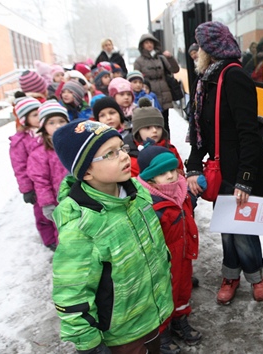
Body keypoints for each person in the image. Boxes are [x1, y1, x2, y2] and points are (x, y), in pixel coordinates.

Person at [51, 118, 173, 354]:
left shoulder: (137, 195)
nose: (125, 156)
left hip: (152, 313)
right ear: (86, 171)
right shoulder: (82, 228)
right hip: (120, 334)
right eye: (110, 154)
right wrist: (90, 345)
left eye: (122, 148)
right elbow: (72, 294)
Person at [186, 21, 263, 305]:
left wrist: (245, 178)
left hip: (240, 168)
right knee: (227, 231)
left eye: (200, 46)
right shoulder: (206, 81)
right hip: (222, 169)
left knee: (244, 233)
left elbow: (250, 133)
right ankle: (230, 276)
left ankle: (256, 276)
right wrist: (194, 166)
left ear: (211, 50)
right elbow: (198, 130)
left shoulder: (234, 78)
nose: (196, 52)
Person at [137, 143, 203, 352]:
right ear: (150, 179)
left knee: (183, 290)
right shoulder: (149, 204)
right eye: (162, 173)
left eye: (172, 170)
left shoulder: (180, 190)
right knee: (164, 296)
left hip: (183, 254)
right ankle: (162, 333)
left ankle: (180, 319)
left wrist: (198, 191)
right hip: (163, 262)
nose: (170, 176)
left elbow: (188, 205)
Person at [9, 94, 56, 249]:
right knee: (42, 214)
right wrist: (26, 189)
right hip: (36, 184)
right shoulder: (21, 140)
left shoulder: (47, 132)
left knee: (57, 210)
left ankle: (60, 236)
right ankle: (50, 240)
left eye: (39, 112)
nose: (38, 117)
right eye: (34, 115)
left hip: (53, 178)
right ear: (24, 119)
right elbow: (19, 167)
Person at [26, 100, 69, 251]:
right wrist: (47, 203)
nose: (57, 126)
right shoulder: (39, 153)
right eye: (51, 122)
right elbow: (40, 181)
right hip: (58, 202)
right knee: (64, 232)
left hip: (79, 198)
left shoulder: (73, 145)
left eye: (61, 121)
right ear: (43, 126)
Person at [124, 98, 184, 177]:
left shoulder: (170, 149)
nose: (154, 130)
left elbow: (181, 173)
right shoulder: (132, 156)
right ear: (137, 131)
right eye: (148, 128)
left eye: (158, 127)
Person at [134, 33, 180, 133]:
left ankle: (167, 144)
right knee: (153, 122)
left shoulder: (161, 58)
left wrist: (170, 58)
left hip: (164, 92)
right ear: (142, 45)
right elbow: (137, 78)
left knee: (165, 123)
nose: (149, 44)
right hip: (150, 94)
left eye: (151, 42)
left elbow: (175, 69)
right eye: (146, 43)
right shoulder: (138, 61)